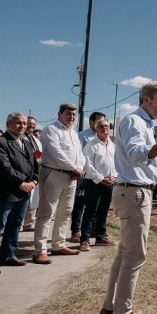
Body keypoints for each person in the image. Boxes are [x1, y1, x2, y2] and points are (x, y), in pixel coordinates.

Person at [100, 81, 157, 314]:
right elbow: (138, 155)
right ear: (146, 99)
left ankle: (111, 308)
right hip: (134, 192)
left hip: (132, 191)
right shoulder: (135, 122)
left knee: (125, 253)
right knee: (135, 255)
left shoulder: (143, 123)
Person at [0, 113, 38, 274]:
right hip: (6, 192)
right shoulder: (0, 142)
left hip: (24, 193)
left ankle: (8, 255)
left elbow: (34, 166)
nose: (22, 126)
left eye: (25, 123)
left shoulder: (26, 143)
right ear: (8, 124)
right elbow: (3, 167)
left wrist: (34, 181)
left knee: (15, 225)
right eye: (18, 123)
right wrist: (21, 183)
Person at [32, 103, 86, 264]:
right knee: (47, 212)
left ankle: (58, 244)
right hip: (54, 174)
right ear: (60, 114)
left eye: (74, 114)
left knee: (65, 212)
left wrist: (80, 168)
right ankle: (40, 250)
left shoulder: (74, 133)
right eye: (68, 114)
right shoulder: (51, 130)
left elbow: (80, 154)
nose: (71, 117)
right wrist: (74, 168)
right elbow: (57, 154)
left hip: (72, 177)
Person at [80, 118, 117, 250]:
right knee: (90, 212)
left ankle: (101, 237)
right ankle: (84, 240)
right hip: (94, 183)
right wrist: (101, 178)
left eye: (107, 126)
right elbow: (87, 165)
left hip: (109, 183)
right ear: (96, 129)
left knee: (103, 211)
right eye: (101, 126)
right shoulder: (91, 145)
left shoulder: (112, 145)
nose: (104, 128)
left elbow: (116, 163)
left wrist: (114, 177)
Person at [70, 111, 106, 242]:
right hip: (84, 175)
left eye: (103, 122)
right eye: (98, 122)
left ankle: (94, 230)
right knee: (79, 204)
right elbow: (79, 155)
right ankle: (75, 231)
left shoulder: (104, 138)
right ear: (91, 122)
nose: (101, 125)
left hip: (99, 177)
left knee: (95, 205)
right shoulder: (83, 136)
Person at [21, 116, 41, 232]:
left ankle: (29, 223)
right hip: (24, 172)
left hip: (35, 171)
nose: (31, 126)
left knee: (34, 198)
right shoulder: (20, 137)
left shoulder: (35, 139)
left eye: (34, 124)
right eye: (29, 123)